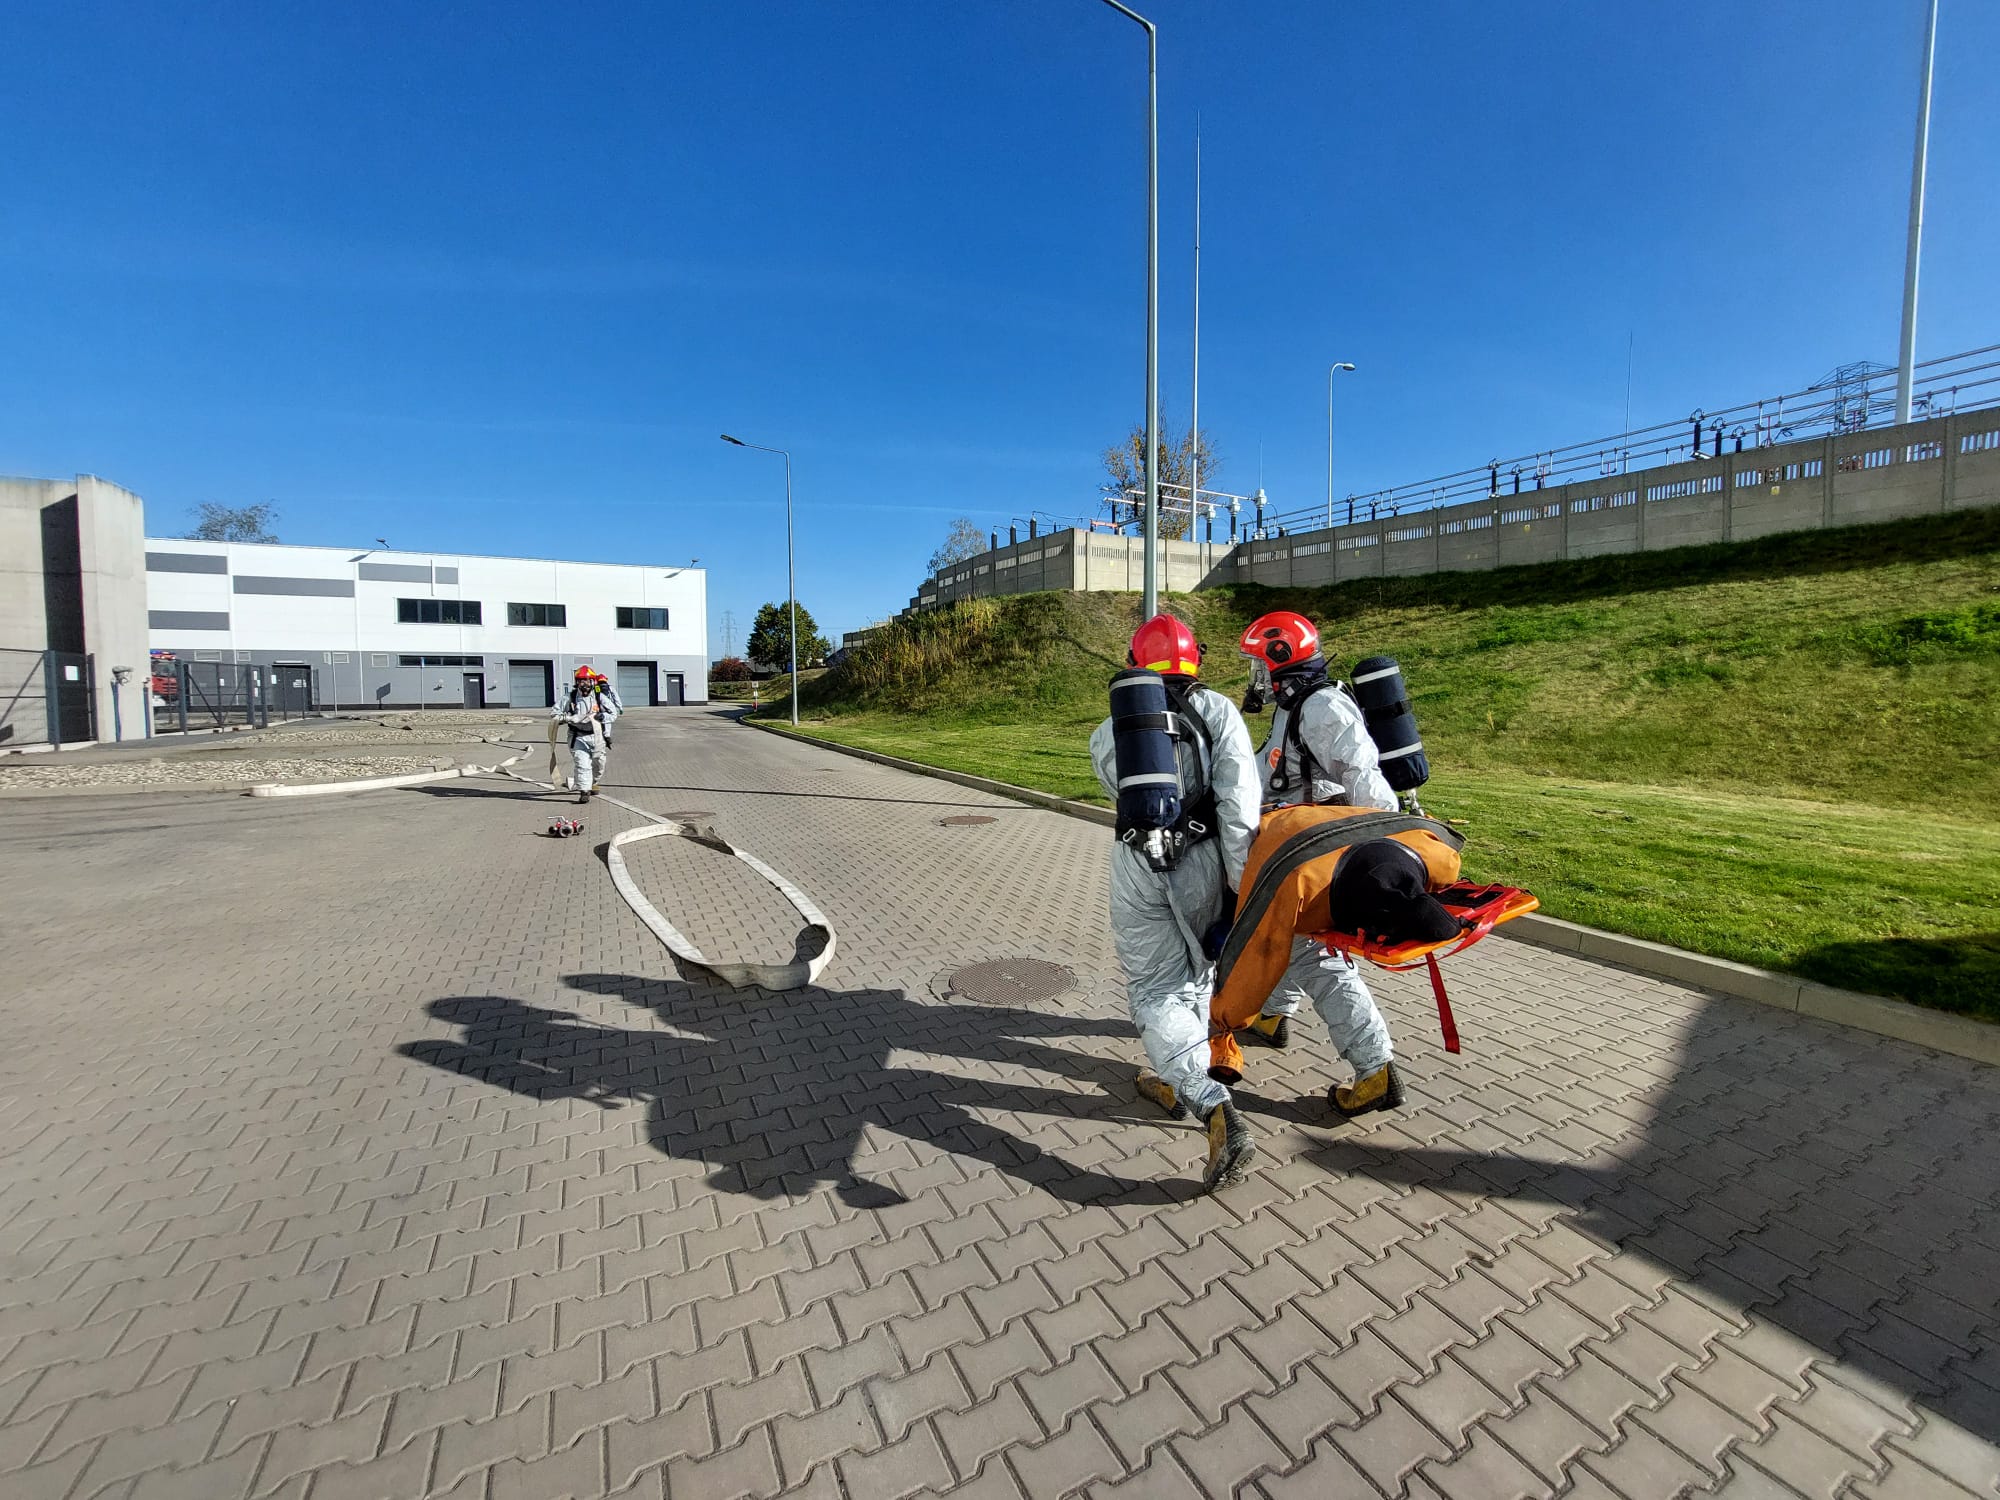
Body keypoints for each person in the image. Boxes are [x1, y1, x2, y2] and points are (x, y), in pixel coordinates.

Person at [1089, 614, 1262, 1192]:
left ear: (1136, 663)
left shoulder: (1111, 729)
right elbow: (1239, 804)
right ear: (1193, 659)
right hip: (1204, 861)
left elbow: (1116, 790)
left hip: (1135, 862)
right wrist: (1239, 887)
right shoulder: (1217, 711)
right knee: (1197, 972)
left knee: (1155, 988)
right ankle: (1188, 1074)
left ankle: (1205, 1098)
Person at [1234, 610, 1405, 1102]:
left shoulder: (1323, 706)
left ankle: (1376, 1068)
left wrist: (1385, 847)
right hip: (1293, 848)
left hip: (1314, 855)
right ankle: (1271, 1016)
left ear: (1282, 657)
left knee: (1314, 953)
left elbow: (1365, 779)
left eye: (1259, 664)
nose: (1256, 675)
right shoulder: (1295, 706)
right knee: (1289, 935)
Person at [1206, 810, 1465, 1114]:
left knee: (1316, 959)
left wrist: (1226, 1018)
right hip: (1290, 841)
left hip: (1300, 836)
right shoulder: (1442, 860)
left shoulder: (1295, 883)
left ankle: (1375, 1069)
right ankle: (1273, 1015)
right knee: (1296, 939)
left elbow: (1254, 954)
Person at [555, 665, 611, 804]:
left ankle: (593, 782)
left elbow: (613, 713)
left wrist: (603, 717)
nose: (583, 684)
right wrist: (566, 718)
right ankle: (584, 791)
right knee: (582, 764)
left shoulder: (599, 697)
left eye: (586, 680)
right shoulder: (570, 697)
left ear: (592, 681)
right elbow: (554, 713)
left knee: (599, 764)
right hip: (577, 736)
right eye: (580, 681)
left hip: (597, 736)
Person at [592, 671, 624, 745]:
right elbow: (616, 697)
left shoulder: (596, 687)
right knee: (607, 720)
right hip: (608, 707)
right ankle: (607, 736)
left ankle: (597, 737)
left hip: (598, 707)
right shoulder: (610, 687)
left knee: (596, 721)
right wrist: (620, 707)